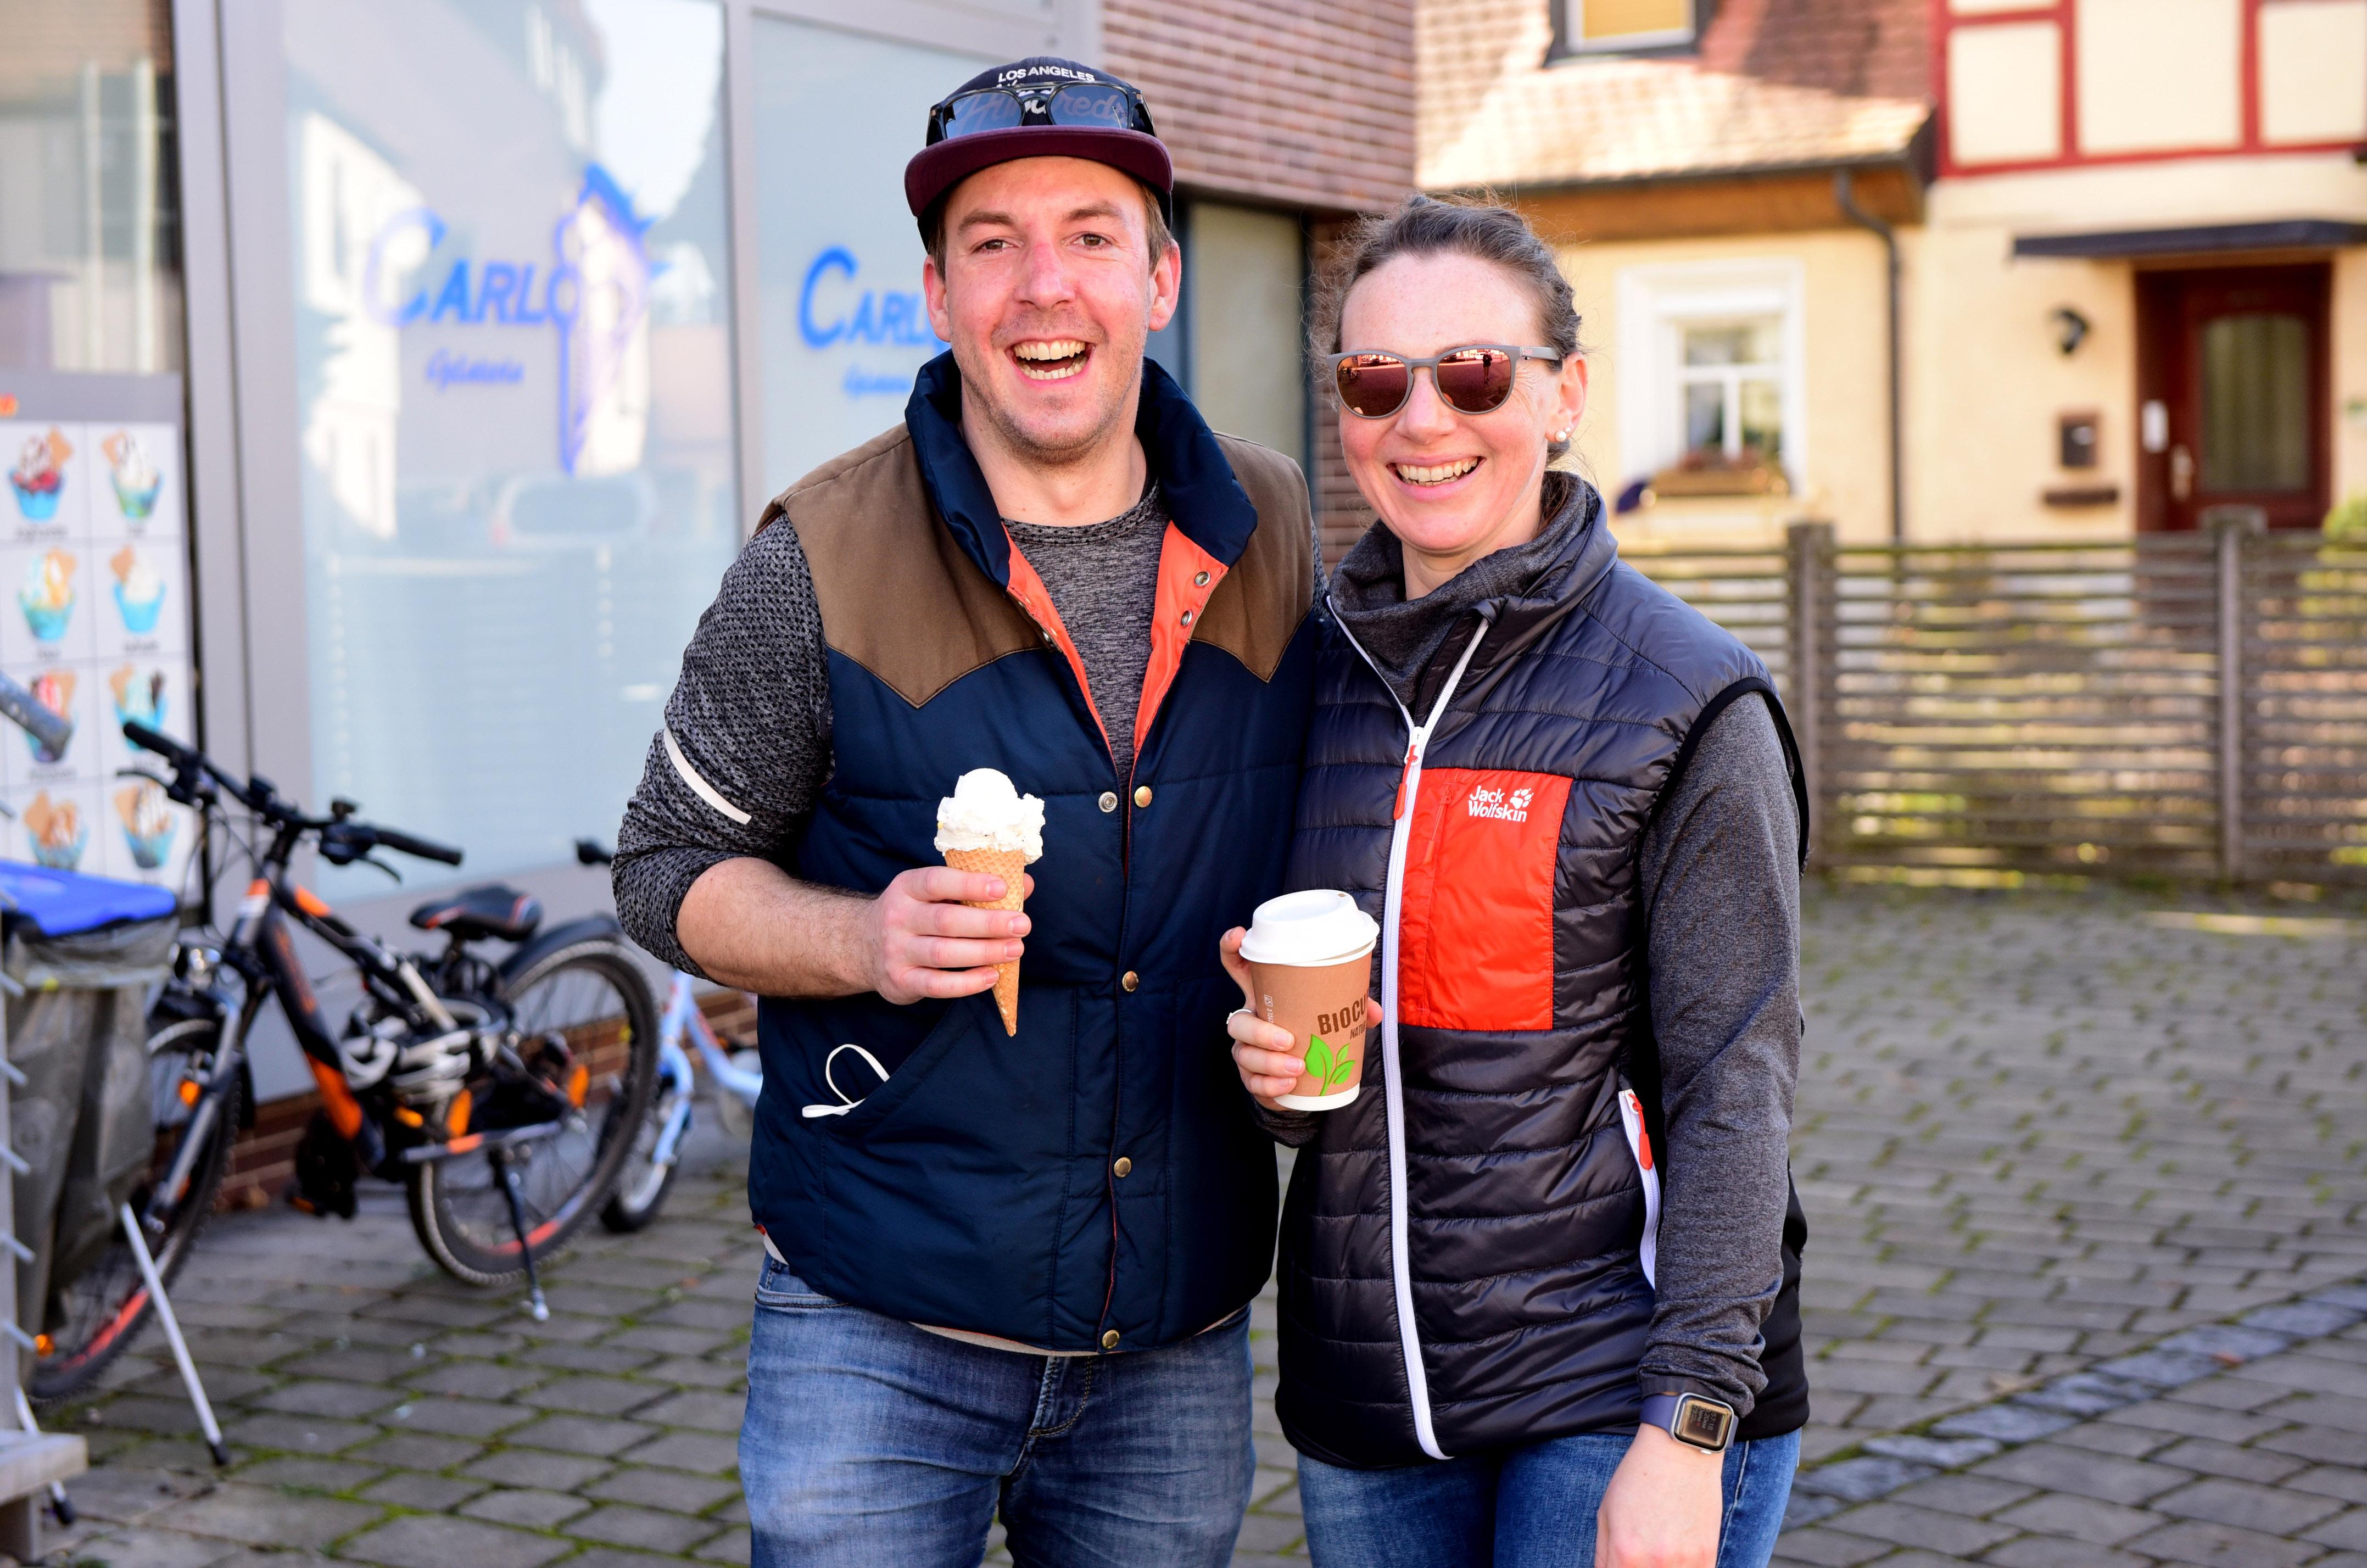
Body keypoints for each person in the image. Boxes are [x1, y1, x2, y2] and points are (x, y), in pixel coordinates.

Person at [611, 58, 1322, 1568]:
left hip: (1174, 1333)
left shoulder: (1276, 539)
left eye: (1090, 236)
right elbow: (664, 867)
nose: (1042, 286)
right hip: (874, 1331)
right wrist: (861, 938)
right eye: (992, 244)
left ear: (1160, 279)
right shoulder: (818, 557)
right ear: (938, 295)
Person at [1220, 195, 1811, 1568]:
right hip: (1372, 1400)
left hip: (1612, 1389)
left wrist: (1690, 1427)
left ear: (1563, 396)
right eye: (1376, 379)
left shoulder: (1687, 699)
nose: (1421, 418)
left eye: (1474, 372)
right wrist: (1272, 1071)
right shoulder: (1301, 683)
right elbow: (1326, 1078)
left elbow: (1737, 1085)